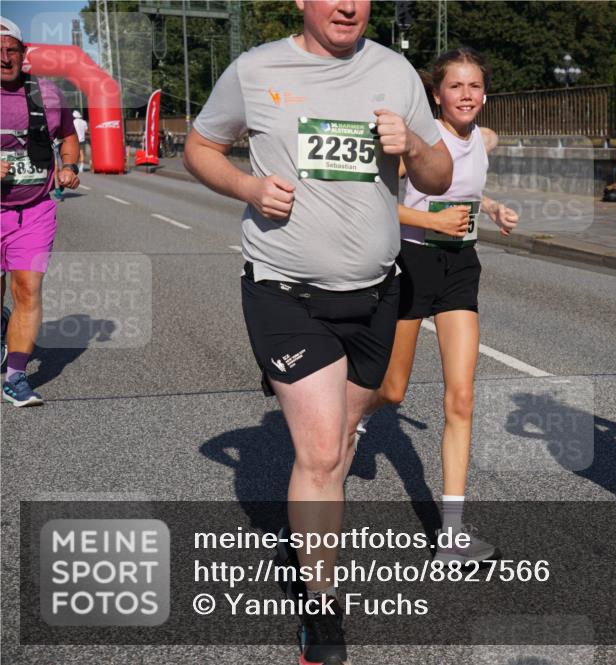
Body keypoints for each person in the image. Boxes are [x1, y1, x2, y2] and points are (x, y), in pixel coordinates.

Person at [182, 2, 452, 663]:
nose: (347, 4)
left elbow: (439, 176)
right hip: (286, 293)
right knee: (325, 454)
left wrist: (414, 146)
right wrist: (248, 186)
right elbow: (199, 146)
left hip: (378, 294)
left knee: (356, 416)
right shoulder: (256, 69)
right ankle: (322, 605)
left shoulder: (395, 71)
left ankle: (318, 457)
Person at [364, 47, 518, 565]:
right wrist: (432, 223)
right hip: (412, 261)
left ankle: (451, 531)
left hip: (460, 267)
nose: (467, 95)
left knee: (462, 397)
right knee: (392, 390)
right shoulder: (419, 140)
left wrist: (492, 207)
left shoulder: (485, 138)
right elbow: (382, 202)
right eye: (456, 86)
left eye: (475, 86)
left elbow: (467, 190)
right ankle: (346, 419)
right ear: (437, 93)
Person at [1, 17, 81, 407]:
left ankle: (15, 376)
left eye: (10, 50)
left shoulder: (47, 95)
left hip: (33, 211)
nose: (4, 59)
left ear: (23, 53)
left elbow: (68, 134)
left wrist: (68, 166)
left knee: (28, 289)